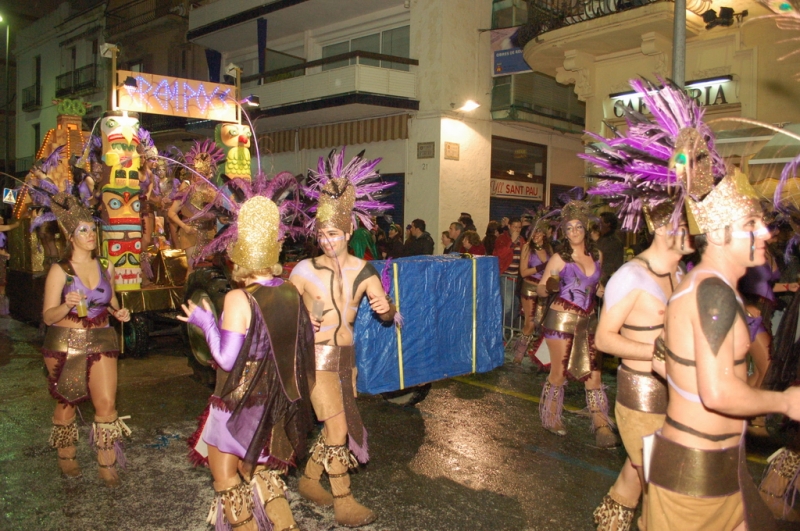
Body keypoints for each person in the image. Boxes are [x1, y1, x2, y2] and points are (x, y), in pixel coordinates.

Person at [180, 175, 315, 531]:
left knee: (226, 480)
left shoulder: (239, 297)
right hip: (273, 404)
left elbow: (224, 360)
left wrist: (204, 322)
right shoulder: (289, 291)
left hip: (237, 404)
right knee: (266, 479)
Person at [290, 149, 397, 528]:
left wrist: (386, 309)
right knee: (337, 428)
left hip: (346, 359)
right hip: (315, 359)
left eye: (333, 233)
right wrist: (303, 322)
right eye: (321, 233)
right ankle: (344, 501)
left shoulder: (365, 270)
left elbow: (385, 313)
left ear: (350, 232)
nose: (326, 240)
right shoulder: (303, 270)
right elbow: (284, 314)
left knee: (338, 425)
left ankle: (308, 480)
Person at [592, 202, 692, 529]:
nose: (694, 232)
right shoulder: (631, 275)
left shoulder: (683, 274)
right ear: (663, 228)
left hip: (677, 394)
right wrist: (658, 354)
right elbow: (604, 339)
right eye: (686, 225)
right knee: (660, 493)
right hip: (641, 397)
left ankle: (610, 524)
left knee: (635, 479)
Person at [40, 193, 132, 486]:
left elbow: (112, 300)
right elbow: (47, 317)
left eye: (92, 229)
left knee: (106, 402)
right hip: (65, 341)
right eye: (83, 230)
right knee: (68, 401)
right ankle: (66, 456)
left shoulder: (107, 265)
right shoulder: (59, 271)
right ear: (70, 234)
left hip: (102, 337)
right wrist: (66, 304)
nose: (91, 235)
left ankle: (107, 464)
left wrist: (120, 312)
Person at [536, 199, 617, 448]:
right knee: (559, 373)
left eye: (578, 227)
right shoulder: (560, 258)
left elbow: (596, 287)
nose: (574, 231)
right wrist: (548, 285)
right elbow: (541, 288)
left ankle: (601, 423)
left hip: (588, 321)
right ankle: (550, 417)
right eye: (569, 228)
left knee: (593, 374)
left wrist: (610, 293)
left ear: (585, 229)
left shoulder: (597, 255)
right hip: (560, 321)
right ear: (564, 232)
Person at [739, 236, 798, 435]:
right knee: (767, 366)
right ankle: (755, 417)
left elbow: (768, 285)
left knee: (760, 370)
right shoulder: (747, 252)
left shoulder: (769, 253)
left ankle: (741, 413)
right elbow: (740, 284)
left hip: (764, 313)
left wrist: (790, 287)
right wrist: (744, 305)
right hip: (751, 313)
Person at [513, 217, 551, 365]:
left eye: (539, 232)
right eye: (533, 232)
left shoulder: (549, 249)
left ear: (545, 234)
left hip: (544, 288)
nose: (536, 235)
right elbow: (523, 272)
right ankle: (519, 354)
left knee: (542, 323)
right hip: (529, 287)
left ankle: (542, 358)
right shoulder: (528, 247)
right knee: (530, 323)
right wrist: (541, 267)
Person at [596, 212, 625, 284]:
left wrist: (600, 279)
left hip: (607, 281)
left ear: (608, 224)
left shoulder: (613, 241)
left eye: (601, 222)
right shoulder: (602, 239)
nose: (598, 224)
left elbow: (610, 265)